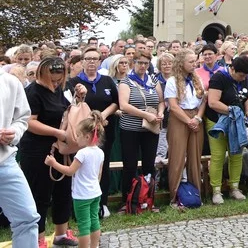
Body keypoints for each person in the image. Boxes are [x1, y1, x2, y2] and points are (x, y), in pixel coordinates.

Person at [19, 58, 79, 247]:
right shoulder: (32, 92)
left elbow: (67, 110)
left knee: (62, 190)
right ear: (42, 75)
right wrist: (57, 132)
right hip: (37, 150)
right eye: (52, 80)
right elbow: (30, 122)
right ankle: (39, 238)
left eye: (58, 80)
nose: (55, 83)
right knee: (40, 195)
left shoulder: (58, 90)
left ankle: (61, 235)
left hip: (60, 149)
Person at [67, 47, 119, 218]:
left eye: (95, 59)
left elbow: (116, 102)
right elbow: (70, 106)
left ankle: (101, 204)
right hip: (81, 134)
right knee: (80, 167)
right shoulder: (73, 82)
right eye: (88, 58)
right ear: (81, 62)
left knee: (100, 168)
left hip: (104, 132)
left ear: (99, 62)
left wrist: (103, 115)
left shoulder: (107, 81)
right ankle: (78, 207)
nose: (91, 62)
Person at [45, 112, 106, 248]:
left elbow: (69, 171)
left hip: (82, 195)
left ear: (87, 136)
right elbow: (99, 174)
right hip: (95, 192)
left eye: (78, 136)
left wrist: (53, 163)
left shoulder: (82, 153)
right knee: (94, 221)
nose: (76, 139)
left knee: (84, 225)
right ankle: (94, 246)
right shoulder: (100, 152)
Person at [117, 52, 163, 212]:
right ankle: (127, 200)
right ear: (133, 63)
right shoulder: (126, 81)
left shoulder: (153, 80)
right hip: (130, 129)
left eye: (145, 63)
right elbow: (123, 105)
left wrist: (160, 113)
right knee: (130, 165)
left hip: (150, 129)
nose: (142, 66)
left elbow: (161, 101)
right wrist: (146, 115)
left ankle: (148, 199)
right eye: (139, 62)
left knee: (149, 164)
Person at [0, 68, 40, 248]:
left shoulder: (9, 81)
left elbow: (22, 118)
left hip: (5, 161)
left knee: (27, 218)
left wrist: (13, 133)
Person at [206, 56, 248, 204]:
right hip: (217, 120)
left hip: (236, 122)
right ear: (232, 69)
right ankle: (216, 190)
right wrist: (231, 110)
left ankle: (234, 187)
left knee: (237, 154)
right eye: (241, 75)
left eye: (245, 76)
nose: (243, 78)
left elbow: (245, 98)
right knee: (218, 155)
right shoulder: (219, 78)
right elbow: (213, 102)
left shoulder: (244, 79)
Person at [165, 49, 207, 205]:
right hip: (179, 118)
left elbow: (203, 101)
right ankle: (174, 197)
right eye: (190, 62)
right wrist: (188, 121)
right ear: (181, 63)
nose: (194, 64)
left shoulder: (197, 79)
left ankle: (195, 194)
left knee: (195, 157)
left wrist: (197, 118)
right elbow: (173, 106)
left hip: (196, 116)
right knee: (177, 157)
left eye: (195, 61)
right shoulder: (172, 81)